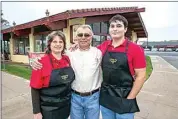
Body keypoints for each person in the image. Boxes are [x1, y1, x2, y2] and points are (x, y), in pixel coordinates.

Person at [30, 25, 103, 119]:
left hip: (91, 98)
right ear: (76, 38)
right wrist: (34, 61)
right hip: (70, 100)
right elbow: (35, 87)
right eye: (80, 35)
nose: (83, 37)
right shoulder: (70, 54)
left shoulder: (97, 53)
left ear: (91, 37)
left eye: (87, 35)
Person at [98, 14, 146, 119]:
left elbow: (141, 76)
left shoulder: (135, 49)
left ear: (125, 29)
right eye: (112, 26)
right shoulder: (103, 46)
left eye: (119, 26)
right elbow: (88, 52)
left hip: (125, 97)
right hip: (106, 97)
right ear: (109, 29)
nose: (115, 29)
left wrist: (130, 98)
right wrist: (77, 45)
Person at [30, 31, 75, 119]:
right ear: (49, 44)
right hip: (48, 109)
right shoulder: (40, 62)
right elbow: (34, 88)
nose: (58, 44)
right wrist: (36, 112)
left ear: (64, 44)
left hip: (65, 107)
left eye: (61, 41)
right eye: (55, 41)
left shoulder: (67, 59)